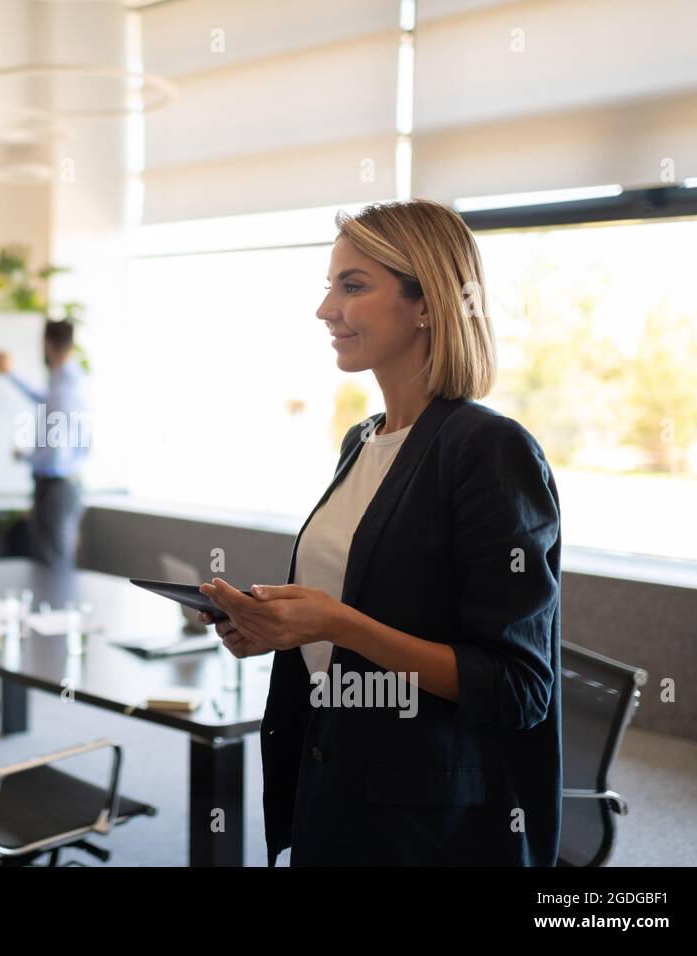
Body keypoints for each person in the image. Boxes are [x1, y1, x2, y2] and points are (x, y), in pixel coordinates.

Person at [199, 199, 562, 866]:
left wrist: (337, 624)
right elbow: (359, 609)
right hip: (332, 776)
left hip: (425, 820)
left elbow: (518, 687)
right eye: (329, 285)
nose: (325, 308)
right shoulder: (361, 441)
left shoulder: (488, 450)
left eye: (353, 285)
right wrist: (274, 630)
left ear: (426, 303)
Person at [0, 320, 91, 569]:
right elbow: (43, 398)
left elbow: (55, 455)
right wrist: (11, 374)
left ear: (47, 345)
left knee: (52, 564)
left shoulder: (65, 387)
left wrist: (25, 457)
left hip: (56, 487)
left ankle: (56, 608)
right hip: (61, 485)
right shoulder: (65, 380)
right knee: (51, 560)